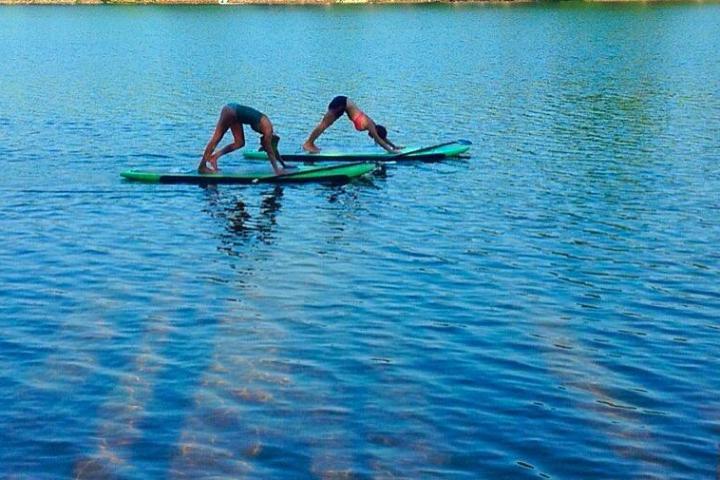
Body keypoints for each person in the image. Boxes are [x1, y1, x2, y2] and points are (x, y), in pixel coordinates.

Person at [199, 103, 285, 174]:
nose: (261, 145)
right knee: (217, 138)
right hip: (231, 111)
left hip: (236, 117)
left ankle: (214, 158)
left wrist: (283, 165)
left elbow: (273, 150)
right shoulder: (268, 130)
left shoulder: (268, 134)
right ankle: (202, 166)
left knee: (239, 142)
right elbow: (270, 151)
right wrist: (277, 170)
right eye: (265, 145)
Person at [302, 96, 401, 154]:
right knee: (324, 124)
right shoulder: (370, 124)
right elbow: (379, 140)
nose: (372, 138)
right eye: (374, 137)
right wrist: (391, 151)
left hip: (343, 106)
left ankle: (310, 143)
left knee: (325, 125)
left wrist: (394, 146)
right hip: (342, 103)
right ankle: (308, 144)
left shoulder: (373, 125)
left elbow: (382, 138)